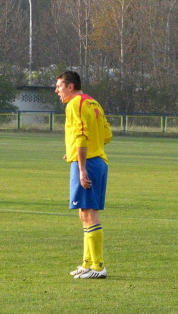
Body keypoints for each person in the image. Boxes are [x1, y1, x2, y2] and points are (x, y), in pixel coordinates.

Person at [55, 71, 112, 279]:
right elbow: (106, 134)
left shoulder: (74, 104)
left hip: (88, 164)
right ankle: (88, 263)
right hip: (97, 161)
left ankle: (98, 266)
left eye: (59, 86)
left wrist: (82, 166)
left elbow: (80, 135)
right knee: (84, 213)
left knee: (90, 214)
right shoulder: (93, 103)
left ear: (70, 86)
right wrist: (74, 152)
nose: (57, 90)